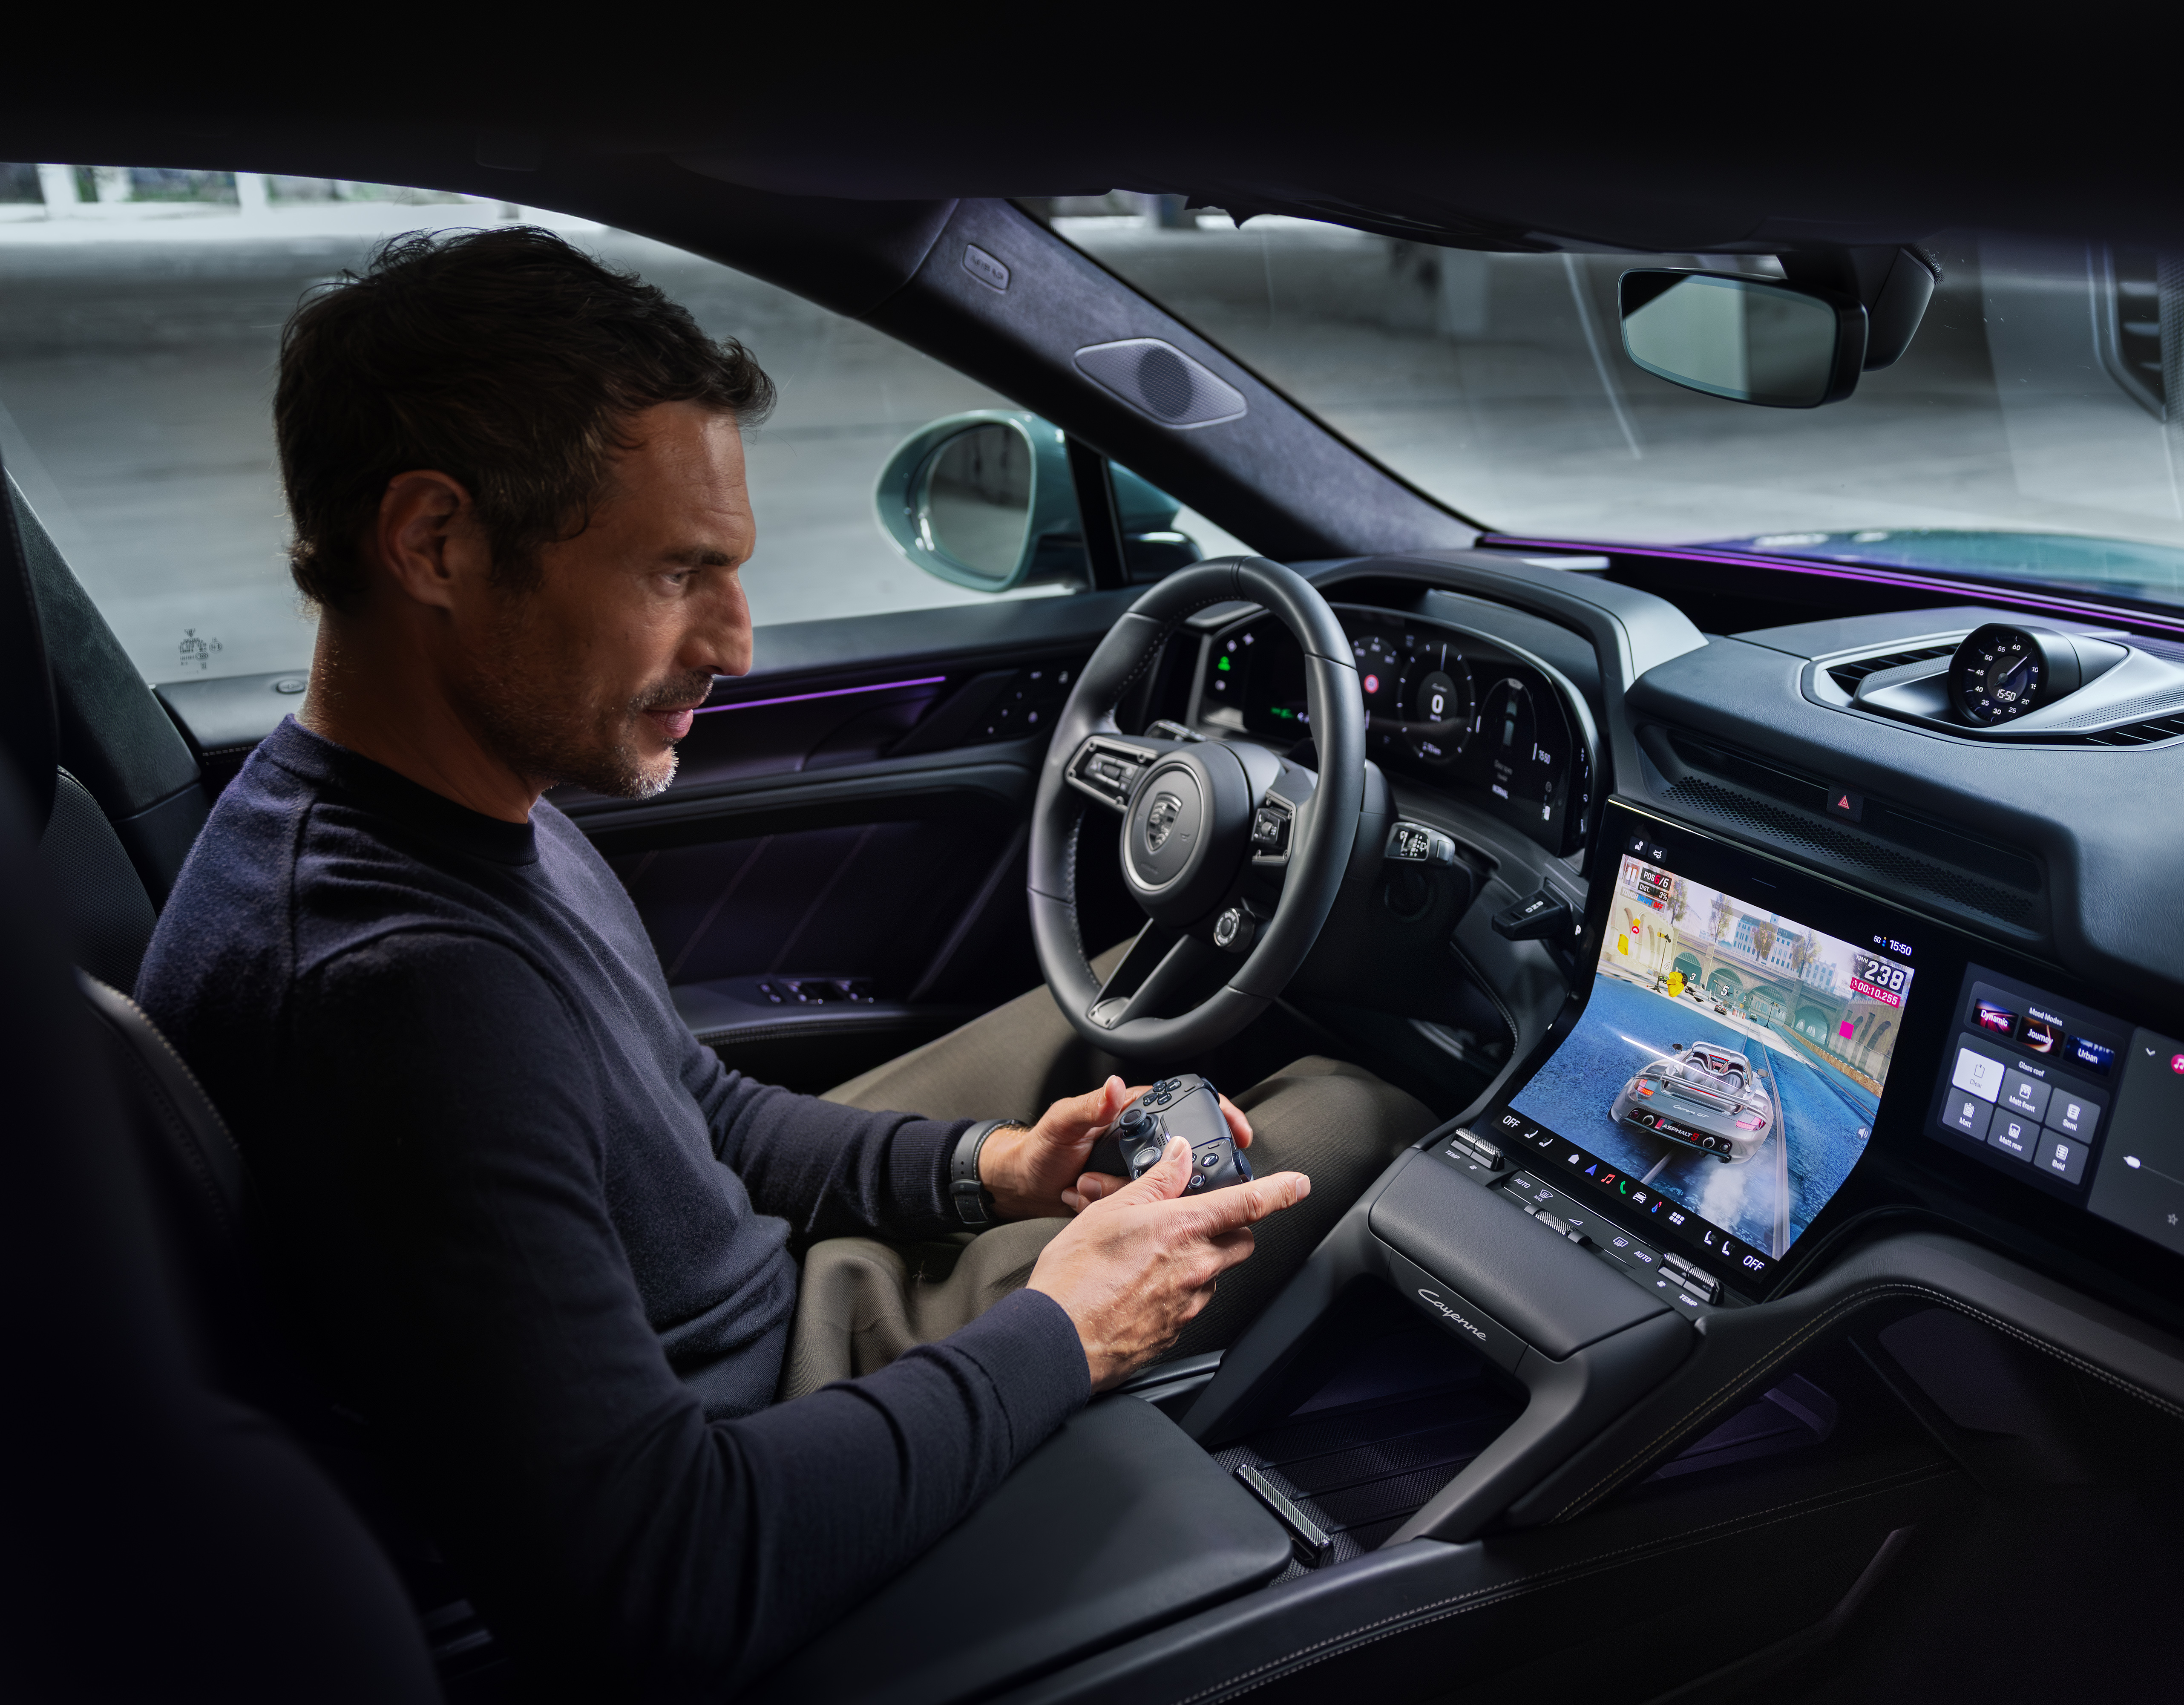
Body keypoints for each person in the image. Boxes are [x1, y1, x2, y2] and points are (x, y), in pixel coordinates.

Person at [136, 228, 1432, 1698]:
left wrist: (991, 1171)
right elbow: (667, 1575)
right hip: (756, 1421)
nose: (737, 644)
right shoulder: (399, 996)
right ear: (436, 542)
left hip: (736, 1314)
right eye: (678, 571)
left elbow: (691, 1108)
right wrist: (1069, 1330)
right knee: (1355, 1107)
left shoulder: (426, 806)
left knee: (1143, 994)